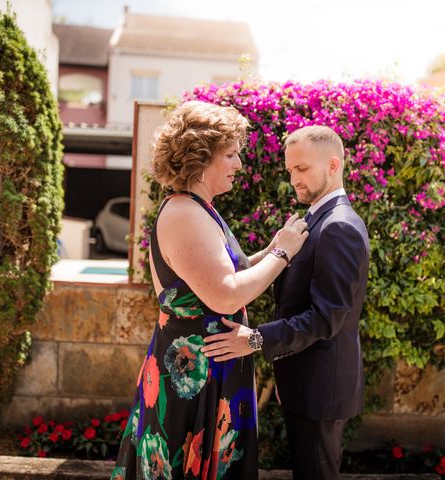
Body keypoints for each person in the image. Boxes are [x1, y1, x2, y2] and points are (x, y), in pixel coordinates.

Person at [110, 101, 309, 480]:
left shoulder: (198, 209)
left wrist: (270, 249)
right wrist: (283, 253)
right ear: (202, 158)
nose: (238, 165)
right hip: (193, 381)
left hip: (207, 371)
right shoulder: (185, 213)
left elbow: (217, 277)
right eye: (231, 155)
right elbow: (226, 294)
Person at [202, 125, 370, 480]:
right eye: (290, 170)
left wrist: (256, 339)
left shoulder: (338, 226)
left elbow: (327, 317)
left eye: (303, 169)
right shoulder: (314, 218)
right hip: (305, 380)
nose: (294, 178)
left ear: (333, 164)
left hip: (321, 387)